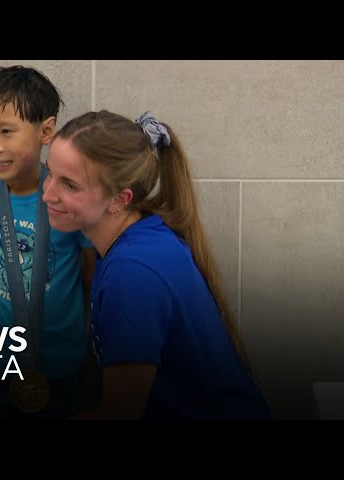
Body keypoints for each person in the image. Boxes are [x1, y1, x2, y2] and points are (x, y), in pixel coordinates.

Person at [42, 110, 273, 419]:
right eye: (50, 174)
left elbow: (121, 413)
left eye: (69, 185)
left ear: (119, 199)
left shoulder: (132, 273)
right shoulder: (143, 234)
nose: (47, 194)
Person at [0, 65, 97, 419]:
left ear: (46, 130)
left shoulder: (68, 197)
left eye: (6, 131)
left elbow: (89, 266)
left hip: (63, 365)